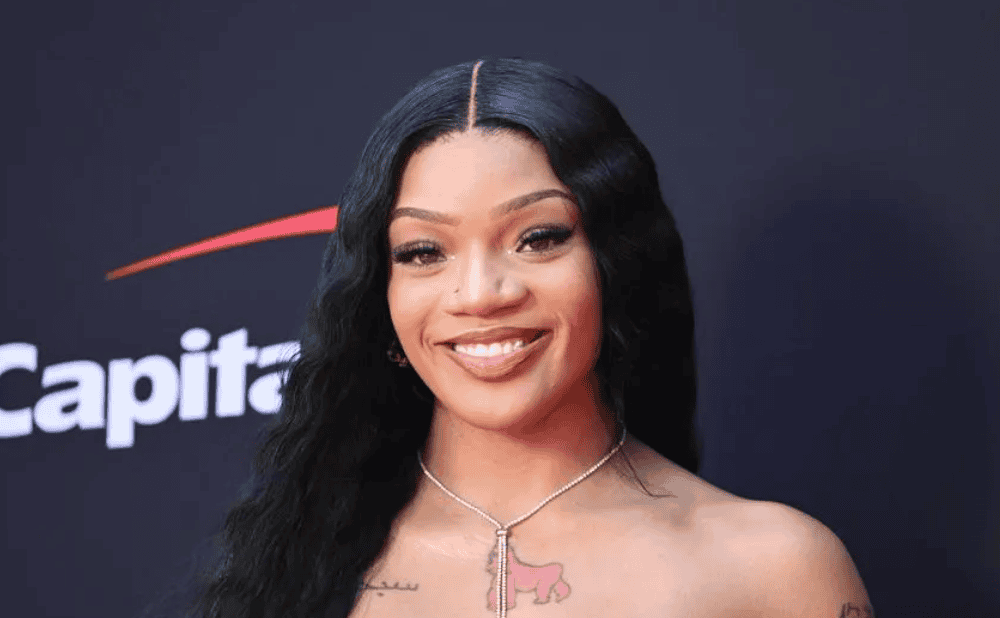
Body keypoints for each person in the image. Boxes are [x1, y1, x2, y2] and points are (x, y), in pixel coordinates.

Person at [186, 57, 874, 618]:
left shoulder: (774, 568)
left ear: (616, 260)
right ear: (379, 294)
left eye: (538, 238)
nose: (480, 294)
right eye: (424, 251)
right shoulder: (296, 570)